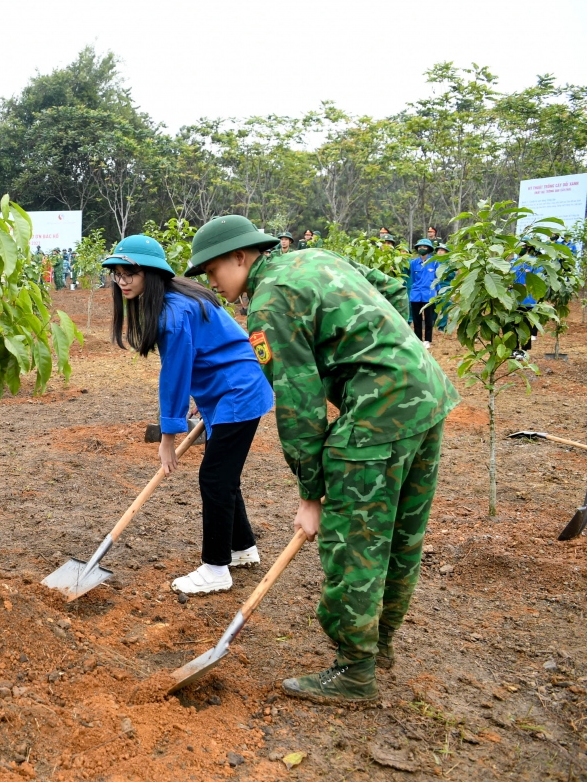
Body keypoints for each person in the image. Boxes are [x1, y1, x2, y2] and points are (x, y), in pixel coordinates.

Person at [189, 215, 458, 705]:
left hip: (379, 417)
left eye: (212, 272)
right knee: (401, 533)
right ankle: (381, 645)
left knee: (356, 543)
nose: (212, 284)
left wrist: (311, 493)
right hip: (426, 394)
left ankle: (356, 670)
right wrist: (387, 351)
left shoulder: (270, 302)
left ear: (240, 257)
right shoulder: (316, 258)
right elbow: (388, 287)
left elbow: (299, 406)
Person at [105, 234, 274, 595]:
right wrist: (205, 394)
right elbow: (207, 351)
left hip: (237, 392)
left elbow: (175, 377)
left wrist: (169, 438)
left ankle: (216, 568)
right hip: (230, 388)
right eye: (117, 274)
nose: (122, 282)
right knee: (223, 476)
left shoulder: (173, 313)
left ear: (150, 274)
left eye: (130, 274)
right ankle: (243, 549)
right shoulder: (175, 298)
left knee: (214, 478)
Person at [408, 239, 438, 348]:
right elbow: (412, 278)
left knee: (429, 318)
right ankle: (418, 339)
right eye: (420, 247)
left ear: (429, 249)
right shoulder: (413, 263)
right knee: (417, 318)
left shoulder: (434, 262)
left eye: (424, 247)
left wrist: (437, 292)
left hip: (429, 294)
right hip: (416, 294)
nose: (422, 249)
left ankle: (428, 340)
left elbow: (437, 278)